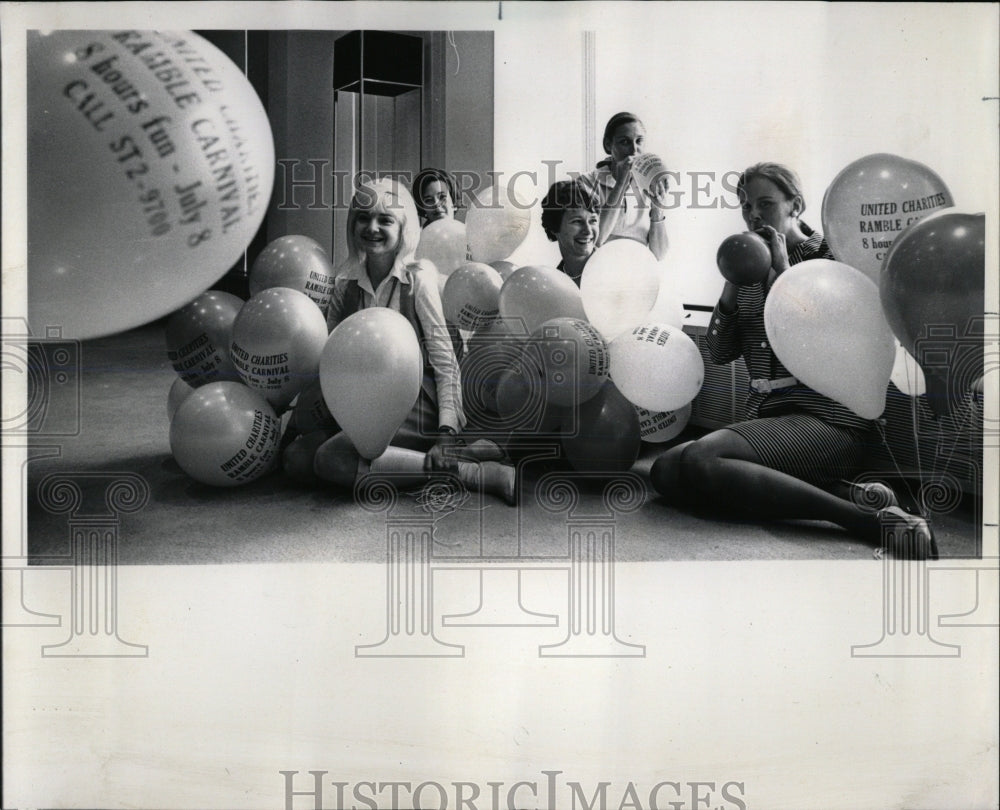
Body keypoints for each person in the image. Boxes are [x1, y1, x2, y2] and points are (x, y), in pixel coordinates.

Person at [649, 162, 936, 559]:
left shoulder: (830, 256)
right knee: (665, 471)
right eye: (746, 206)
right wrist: (732, 282)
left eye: (765, 204)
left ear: (795, 204)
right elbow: (718, 352)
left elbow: (829, 338)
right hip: (767, 417)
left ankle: (861, 519)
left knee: (701, 458)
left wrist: (784, 272)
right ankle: (844, 490)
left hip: (829, 420)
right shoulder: (747, 263)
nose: (753, 215)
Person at [284, 177, 514, 503]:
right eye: (363, 217)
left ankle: (471, 473)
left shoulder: (418, 278)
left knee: (328, 460)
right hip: (355, 401)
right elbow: (324, 362)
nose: (372, 227)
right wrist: (295, 425)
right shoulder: (343, 284)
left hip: (414, 400)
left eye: (385, 220)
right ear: (352, 223)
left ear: (403, 227)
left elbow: (445, 363)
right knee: (296, 461)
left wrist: (447, 433)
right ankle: (458, 459)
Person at [577, 112, 670, 261]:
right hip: (600, 269)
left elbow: (659, 254)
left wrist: (657, 209)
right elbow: (596, 240)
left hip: (639, 271)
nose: (634, 150)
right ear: (608, 145)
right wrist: (620, 184)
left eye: (639, 141)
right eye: (624, 142)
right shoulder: (587, 182)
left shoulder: (649, 185)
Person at [540, 179, 600, 286]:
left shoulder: (613, 270)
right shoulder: (553, 284)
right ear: (554, 227)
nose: (588, 230)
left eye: (593, 220)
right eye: (577, 221)